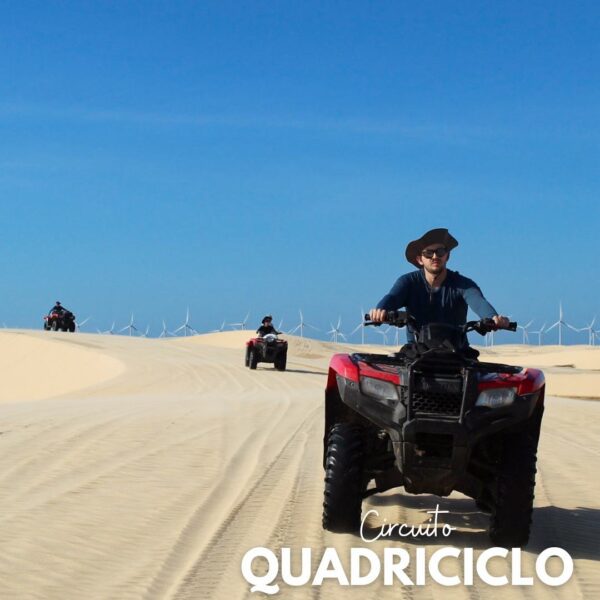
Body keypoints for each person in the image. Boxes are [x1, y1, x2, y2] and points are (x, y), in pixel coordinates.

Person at [369, 228, 509, 345]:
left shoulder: (463, 284)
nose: (435, 256)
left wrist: (493, 318)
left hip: (457, 352)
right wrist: (381, 310)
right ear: (420, 259)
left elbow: (478, 301)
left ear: (447, 256)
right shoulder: (408, 282)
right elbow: (392, 297)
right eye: (428, 253)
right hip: (418, 352)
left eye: (440, 252)